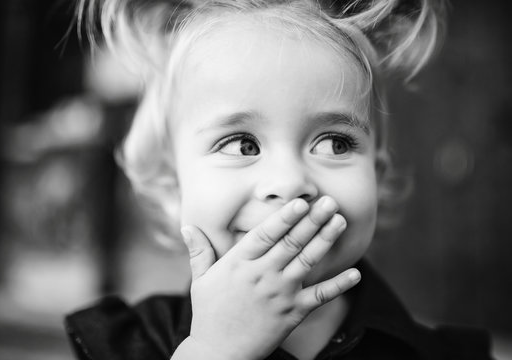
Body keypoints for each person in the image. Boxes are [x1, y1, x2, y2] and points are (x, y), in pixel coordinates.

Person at [65, 1, 493, 359]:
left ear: (376, 177)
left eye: (334, 143)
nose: (289, 183)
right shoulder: (135, 345)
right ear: (172, 187)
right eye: (242, 144)